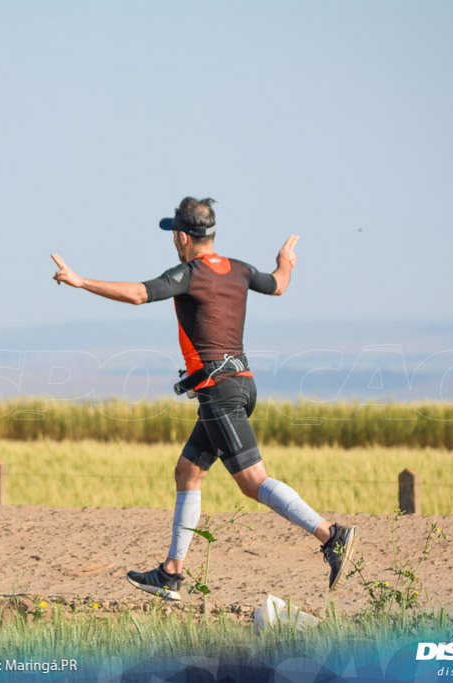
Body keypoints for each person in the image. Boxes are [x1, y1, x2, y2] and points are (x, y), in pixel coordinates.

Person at [50, 196, 358, 600]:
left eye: (173, 234)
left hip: (219, 394)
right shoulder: (240, 270)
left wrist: (81, 281)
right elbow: (279, 285)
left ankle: (331, 535)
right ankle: (171, 574)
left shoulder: (189, 274)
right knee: (188, 472)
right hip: (240, 385)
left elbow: (140, 294)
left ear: (181, 236)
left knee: (253, 481)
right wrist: (286, 260)